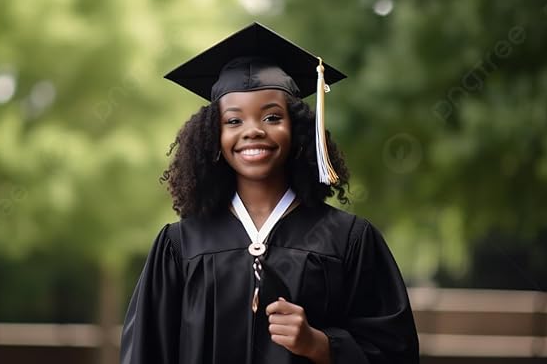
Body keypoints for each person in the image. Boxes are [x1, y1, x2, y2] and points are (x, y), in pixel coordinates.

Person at [119, 22, 419, 364]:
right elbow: (144, 352)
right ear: (212, 137)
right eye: (234, 121)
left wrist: (321, 345)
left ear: (299, 130)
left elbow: (396, 353)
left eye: (272, 117)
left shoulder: (348, 241)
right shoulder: (181, 246)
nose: (253, 132)